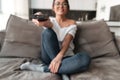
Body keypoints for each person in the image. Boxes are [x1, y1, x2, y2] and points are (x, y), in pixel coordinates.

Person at [20, 0, 91, 79]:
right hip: (48, 57)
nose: (61, 6)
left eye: (64, 4)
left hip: (66, 57)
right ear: (53, 8)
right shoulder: (49, 20)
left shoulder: (72, 23)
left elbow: (66, 42)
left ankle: (46, 68)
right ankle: (64, 70)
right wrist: (38, 16)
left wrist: (58, 59)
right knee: (47, 33)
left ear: (68, 8)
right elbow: (48, 23)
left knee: (85, 58)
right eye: (58, 4)